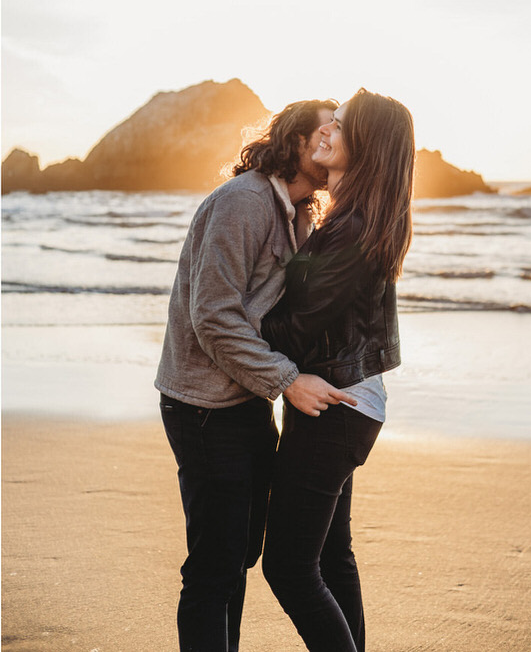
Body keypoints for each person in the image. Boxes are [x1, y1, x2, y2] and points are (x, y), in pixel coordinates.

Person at [155, 98, 358, 652]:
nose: (333, 138)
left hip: (246, 399)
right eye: (326, 129)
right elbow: (213, 315)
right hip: (202, 406)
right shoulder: (243, 202)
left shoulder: (303, 212)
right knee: (216, 566)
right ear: (295, 140)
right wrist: (288, 380)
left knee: (240, 555)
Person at [260, 89, 413, 652]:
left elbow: (295, 327)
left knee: (288, 566)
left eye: (341, 126)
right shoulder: (354, 218)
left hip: (334, 406)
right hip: (344, 401)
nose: (327, 130)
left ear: (367, 145)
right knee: (329, 554)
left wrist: (232, 320)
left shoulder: (354, 230)